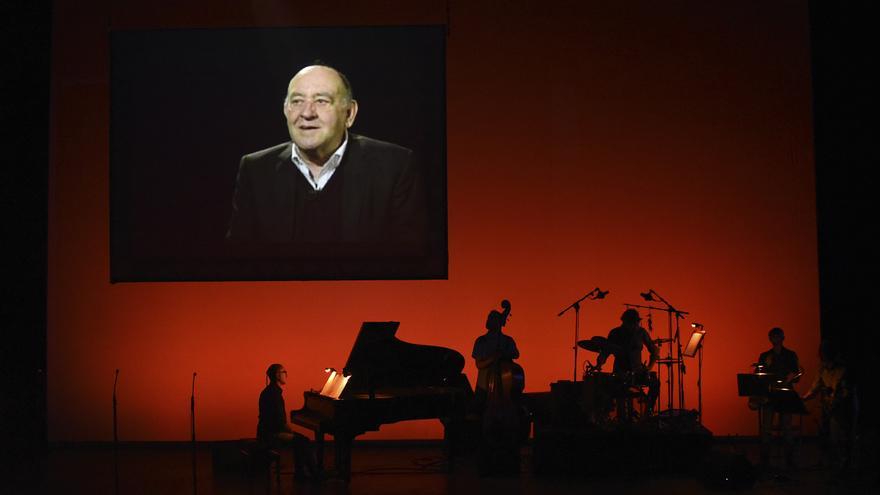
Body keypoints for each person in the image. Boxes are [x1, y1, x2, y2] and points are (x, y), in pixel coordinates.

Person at [226, 64, 427, 246]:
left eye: (321, 101)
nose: (307, 112)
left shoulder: (394, 167)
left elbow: (409, 259)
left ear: (349, 114)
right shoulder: (256, 169)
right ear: (285, 110)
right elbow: (240, 259)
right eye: (297, 101)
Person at [802, 340, 855, 476]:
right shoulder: (823, 369)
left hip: (844, 408)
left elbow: (846, 392)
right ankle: (838, 468)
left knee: (844, 438)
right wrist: (803, 398)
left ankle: (846, 468)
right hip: (832, 408)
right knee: (834, 438)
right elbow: (815, 388)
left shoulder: (843, 369)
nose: (823, 358)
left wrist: (834, 401)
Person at [596, 308, 659, 420]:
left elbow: (654, 351)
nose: (635, 324)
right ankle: (615, 416)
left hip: (638, 371)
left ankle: (648, 411)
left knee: (655, 383)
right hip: (620, 372)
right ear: (624, 321)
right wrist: (599, 363)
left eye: (636, 322)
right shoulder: (615, 333)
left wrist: (649, 368)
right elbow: (606, 352)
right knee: (615, 389)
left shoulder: (641, 332)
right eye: (632, 322)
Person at [258, 363, 316, 479]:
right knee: (303, 440)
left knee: (300, 439)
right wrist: (292, 432)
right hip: (271, 434)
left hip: (266, 431)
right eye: (284, 372)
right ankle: (312, 474)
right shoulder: (275, 395)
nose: (286, 375)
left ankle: (302, 473)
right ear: (277, 375)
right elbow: (281, 422)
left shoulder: (269, 391)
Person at [755, 327, 801, 468]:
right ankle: (765, 460)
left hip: (786, 394)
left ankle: (789, 460)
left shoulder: (791, 355)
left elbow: (796, 374)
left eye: (777, 336)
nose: (775, 338)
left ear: (782, 338)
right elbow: (759, 374)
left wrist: (791, 378)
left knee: (787, 428)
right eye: (773, 336)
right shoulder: (764, 356)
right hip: (770, 395)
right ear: (770, 338)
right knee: (766, 428)